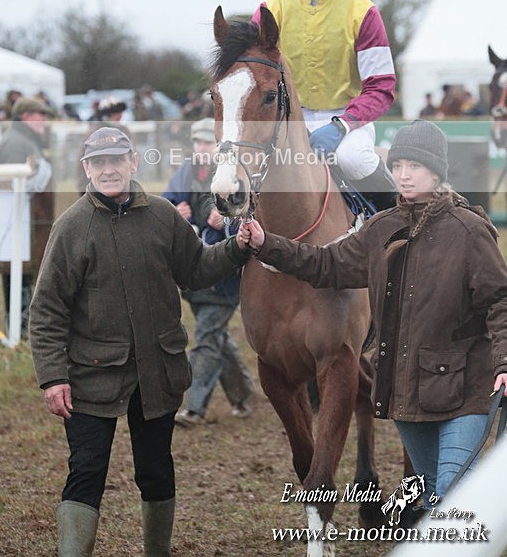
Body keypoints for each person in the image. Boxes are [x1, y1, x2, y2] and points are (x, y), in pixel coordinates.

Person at [238, 120, 507, 506]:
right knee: (433, 492)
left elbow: (500, 299)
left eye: (415, 167)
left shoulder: (468, 230)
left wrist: (504, 361)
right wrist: (268, 245)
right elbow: (325, 264)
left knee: (452, 493)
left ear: (436, 172)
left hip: (465, 389)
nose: (403, 175)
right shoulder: (380, 228)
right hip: (405, 389)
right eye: (397, 167)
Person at [29, 126, 250, 557]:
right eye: (98, 163)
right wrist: (53, 377)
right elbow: (47, 309)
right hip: (91, 378)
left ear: (134, 162)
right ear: (86, 169)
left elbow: (197, 269)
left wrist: (237, 247)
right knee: (87, 472)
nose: (108, 170)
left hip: (157, 371)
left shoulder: (163, 215)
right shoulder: (71, 226)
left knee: (156, 471)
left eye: (117, 160)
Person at [253, 0, 397, 209]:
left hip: (347, 120)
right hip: (289, 119)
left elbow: (381, 87)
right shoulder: (271, 9)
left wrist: (342, 125)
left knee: (353, 158)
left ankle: (399, 222)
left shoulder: (363, 10)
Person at [163, 118, 255, 426]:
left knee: (205, 338)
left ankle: (194, 408)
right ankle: (244, 393)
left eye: (209, 143)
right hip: (192, 276)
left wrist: (226, 221)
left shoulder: (237, 175)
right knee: (215, 337)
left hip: (224, 277)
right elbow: (164, 205)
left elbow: (250, 220)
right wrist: (176, 213)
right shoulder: (187, 172)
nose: (203, 149)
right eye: (198, 143)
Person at [0, 95, 54, 337]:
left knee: (25, 275)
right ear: (27, 116)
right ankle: (19, 328)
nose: (44, 121)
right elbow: (14, 186)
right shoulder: (17, 142)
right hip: (18, 222)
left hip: (27, 221)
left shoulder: (25, 139)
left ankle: (23, 327)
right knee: (18, 275)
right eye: (41, 115)